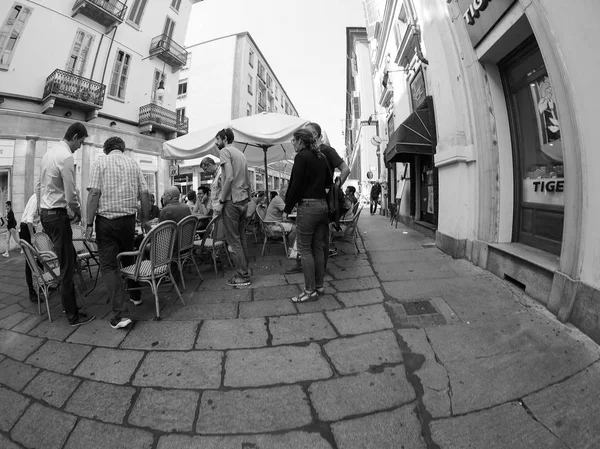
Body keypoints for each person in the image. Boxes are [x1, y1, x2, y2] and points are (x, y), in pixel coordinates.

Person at [86, 136, 150, 330]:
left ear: (106, 149)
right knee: (128, 257)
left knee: (108, 266)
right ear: (122, 149)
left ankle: (121, 314)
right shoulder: (133, 163)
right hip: (129, 220)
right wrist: (145, 219)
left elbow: (94, 193)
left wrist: (89, 223)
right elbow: (145, 194)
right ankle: (136, 296)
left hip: (106, 221)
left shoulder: (100, 162)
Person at [39, 122, 94, 327]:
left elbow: (39, 185)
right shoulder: (66, 157)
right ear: (75, 136)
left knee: (69, 257)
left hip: (47, 214)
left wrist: (40, 209)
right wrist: (80, 213)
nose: (80, 146)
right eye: (81, 141)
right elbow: (71, 196)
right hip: (57, 214)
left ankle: (70, 305)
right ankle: (72, 316)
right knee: (67, 267)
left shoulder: (48, 154)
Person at [284, 128, 332, 303]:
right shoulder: (322, 157)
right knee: (317, 248)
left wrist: (287, 208)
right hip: (322, 205)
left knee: (304, 249)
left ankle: (309, 291)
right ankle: (319, 286)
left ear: (301, 141)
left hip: (308, 205)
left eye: (294, 141)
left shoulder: (301, 157)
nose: (293, 144)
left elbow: (295, 185)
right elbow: (329, 182)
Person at [303, 122, 350, 265]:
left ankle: (319, 269)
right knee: (314, 235)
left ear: (315, 135)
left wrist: (335, 187)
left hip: (323, 199)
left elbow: (346, 169)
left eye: (307, 132)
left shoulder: (327, 150)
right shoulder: (307, 152)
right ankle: (314, 267)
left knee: (321, 234)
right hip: (310, 198)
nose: (304, 135)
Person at [215, 128, 252, 287]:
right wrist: (248, 198)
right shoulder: (241, 154)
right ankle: (245, 270)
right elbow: (247, 178)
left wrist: (221, 201)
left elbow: (229, 177)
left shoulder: (225, 152)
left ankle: (242, 276)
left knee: (234, 240)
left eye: (217, 140)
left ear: (224, 138)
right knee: (241, 237)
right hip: (243, 200)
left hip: (232, 201)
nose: (216, 143)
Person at [19, 192, 40, 301]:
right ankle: (31, 292)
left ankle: (42, 285)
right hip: (26, 230)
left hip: (31, 229)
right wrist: (32, 237)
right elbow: (29, 220)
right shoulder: (36, 198)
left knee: (40, 258)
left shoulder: (43, 199)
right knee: (29, 261)